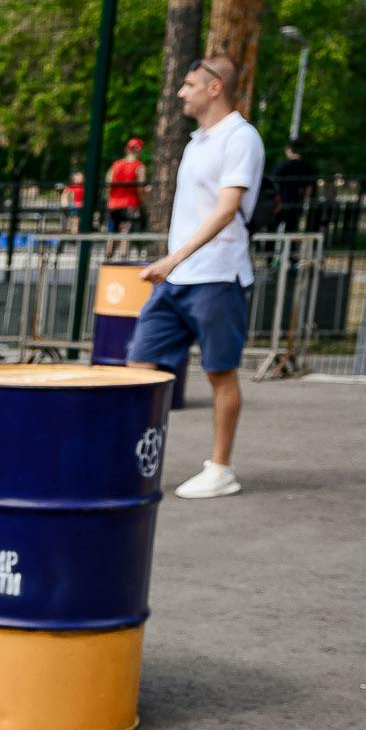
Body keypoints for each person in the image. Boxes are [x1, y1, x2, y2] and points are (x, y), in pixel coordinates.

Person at [130, 53, 264, 502]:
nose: (180, 92)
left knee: (219, 373)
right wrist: (173, 264)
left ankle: (220, 468)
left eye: (188, 85)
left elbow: (228, 210)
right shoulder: (197, 142)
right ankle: (132, 461)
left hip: (217, 277)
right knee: (139, 367)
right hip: (177, 279)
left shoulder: (240, 138)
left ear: (214, 88)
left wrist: (172, 258)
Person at [271, 140, 315, 234]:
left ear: (289, 150)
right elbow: (309, 188)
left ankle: (267, 248)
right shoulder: (307, 167)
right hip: (297, 202)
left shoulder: (282, 166)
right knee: (292, 230)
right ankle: (291, 248)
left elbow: (273, 182)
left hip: (280, 202)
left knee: (272, 229)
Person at [106, 137, 146, 234]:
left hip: (114, 204)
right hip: (131, 203)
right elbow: (140, 188)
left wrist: (109, 199)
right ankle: (124, 249)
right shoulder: (139, 166)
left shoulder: (116, 164)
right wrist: (144, 202)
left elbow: (108, 183)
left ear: (127, 149)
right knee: (126, 233)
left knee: (112, 233)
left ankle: (109, 250)